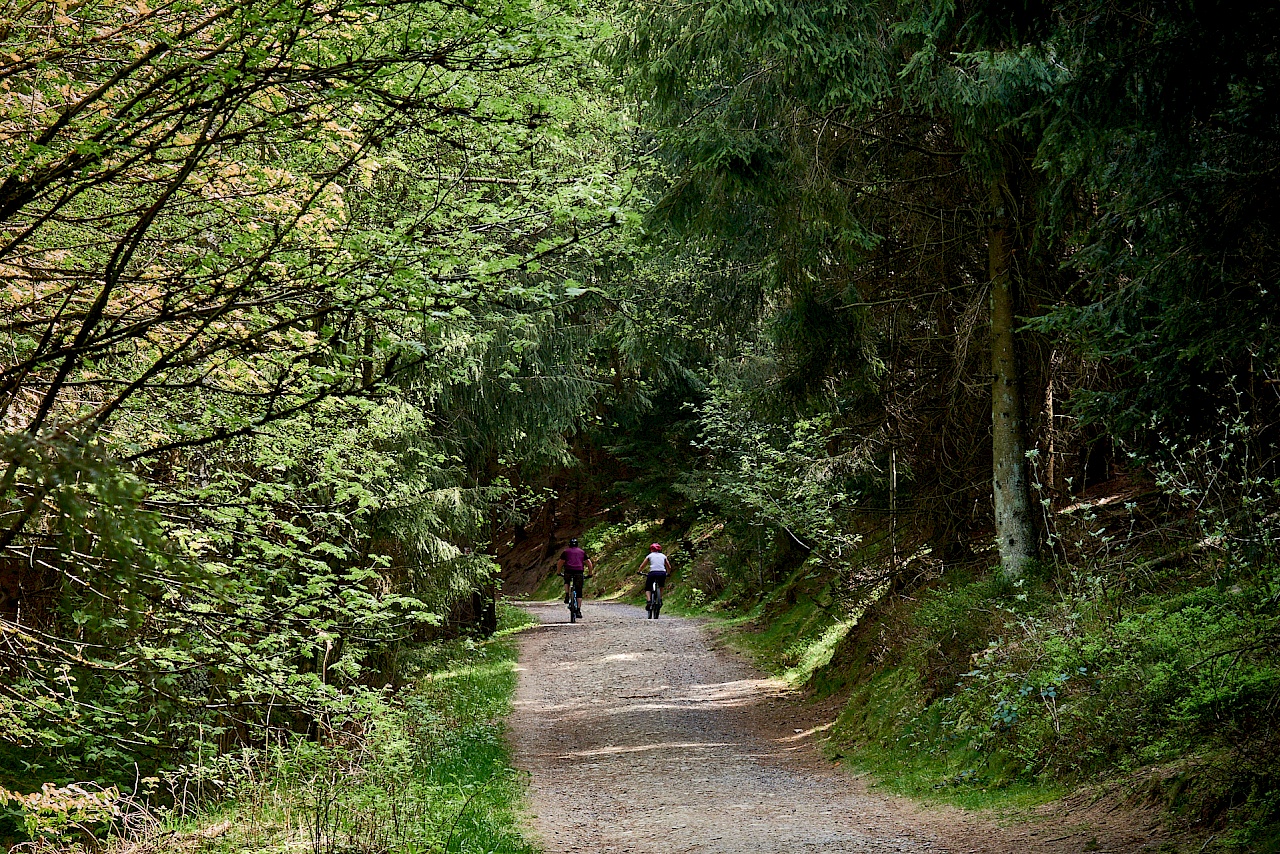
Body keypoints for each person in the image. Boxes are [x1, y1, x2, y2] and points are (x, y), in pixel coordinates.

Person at [556, 537, 593, 618]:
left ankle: (566, 594)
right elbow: (589, 563)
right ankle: (578, 610)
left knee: (566, 580)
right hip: (579, 572)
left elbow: (560, 562)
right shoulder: (582, 552)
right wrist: (590, 573)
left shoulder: (566, 551)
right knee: (579, 591)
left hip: (568, 571)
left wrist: (558, 572)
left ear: (569, 544)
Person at [635, 543, 672, 615]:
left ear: (651, 549)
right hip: (662, 573)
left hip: (653, 573)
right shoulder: (663, 556)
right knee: (661, 586)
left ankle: (649, 601)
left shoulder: (650, 556)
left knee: (648, 588)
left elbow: (643, 565)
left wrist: (639, 571)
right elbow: (669, 567)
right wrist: (668, 573)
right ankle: (660, 599)